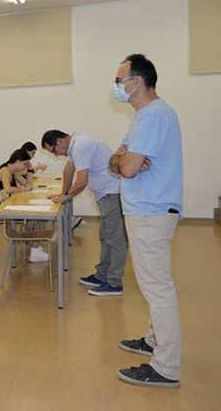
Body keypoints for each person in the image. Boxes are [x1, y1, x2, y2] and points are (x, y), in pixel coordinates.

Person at [108, 54, 183, 388]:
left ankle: (165, 366)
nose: (117, 86)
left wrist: (126, 161)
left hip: (150, 212)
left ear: (137, 81)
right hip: (144, 210)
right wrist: (125, 159)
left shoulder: (153, 117)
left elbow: (125, 167)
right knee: (155, 285)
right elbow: (117, 160)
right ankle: (154, 340)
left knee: (157, 288)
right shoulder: (143, 118)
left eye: (120, 79)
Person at [41, 130, 127, 296]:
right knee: (105, 236)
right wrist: (62, 193)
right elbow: (68, 170)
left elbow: (81, 181)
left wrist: (67, 197)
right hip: (105, 195)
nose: (56, 155)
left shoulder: (81, 145)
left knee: (115, 239)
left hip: (112, 194)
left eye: (53, 151)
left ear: (59, 141)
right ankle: (102, 276)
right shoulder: (76, 145)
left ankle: (115, 283)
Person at [0, 149, 50, 262]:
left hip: (4, 205)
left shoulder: (13, 171)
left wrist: (29, 170)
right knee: (38, 216)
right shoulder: (5, 170)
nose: (25, 166)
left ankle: (34, 246)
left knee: (38, 215)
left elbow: (28, 184)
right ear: (18, 161)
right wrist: (23, 189)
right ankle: (35, 250)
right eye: (24, 164)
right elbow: (8, 189)